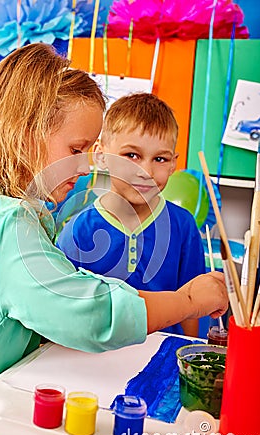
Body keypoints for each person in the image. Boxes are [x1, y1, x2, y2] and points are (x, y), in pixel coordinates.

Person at [0, 43, 227, 435]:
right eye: (75, 149)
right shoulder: (6, 224)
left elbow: (67, 285)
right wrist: (187, 299)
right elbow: (89, 312)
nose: (85, 166)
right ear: (23, 134)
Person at [57, 93, 206, 337]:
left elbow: (195, 307)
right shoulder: (78, 231)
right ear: (101, 156)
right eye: (132, 156)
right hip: (94, 361)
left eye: (159, 158)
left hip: (164, 359)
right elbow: (63, 311)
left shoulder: (183, 226)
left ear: (173, 164)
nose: (145, 171)